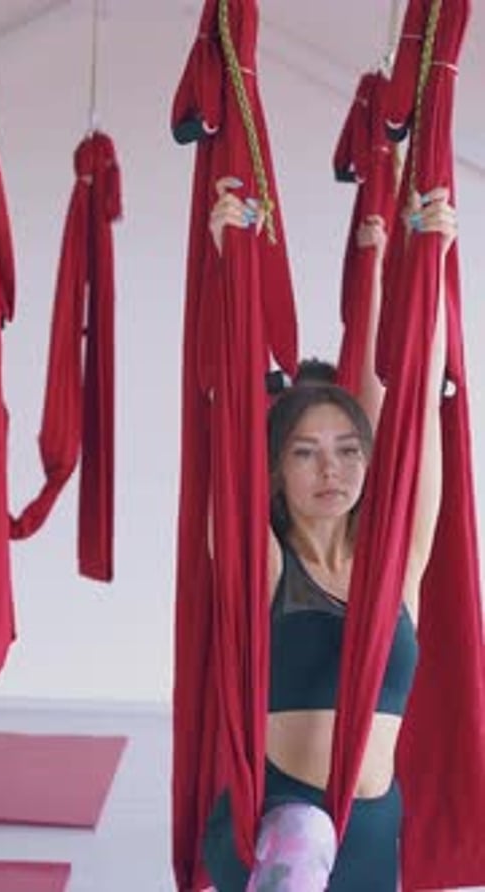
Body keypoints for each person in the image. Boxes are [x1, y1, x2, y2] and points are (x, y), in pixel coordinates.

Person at [202, 177, 457, 891]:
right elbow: (230, 435)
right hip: (283, 822)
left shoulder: (395, 566)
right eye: (305, 452)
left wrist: (432, 258)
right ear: (275, 471)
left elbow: (419, 406)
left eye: (348, 449)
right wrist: (232, 264)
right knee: (306, 839)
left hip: (375, 834)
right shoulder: (267, 568)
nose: (331, 469)